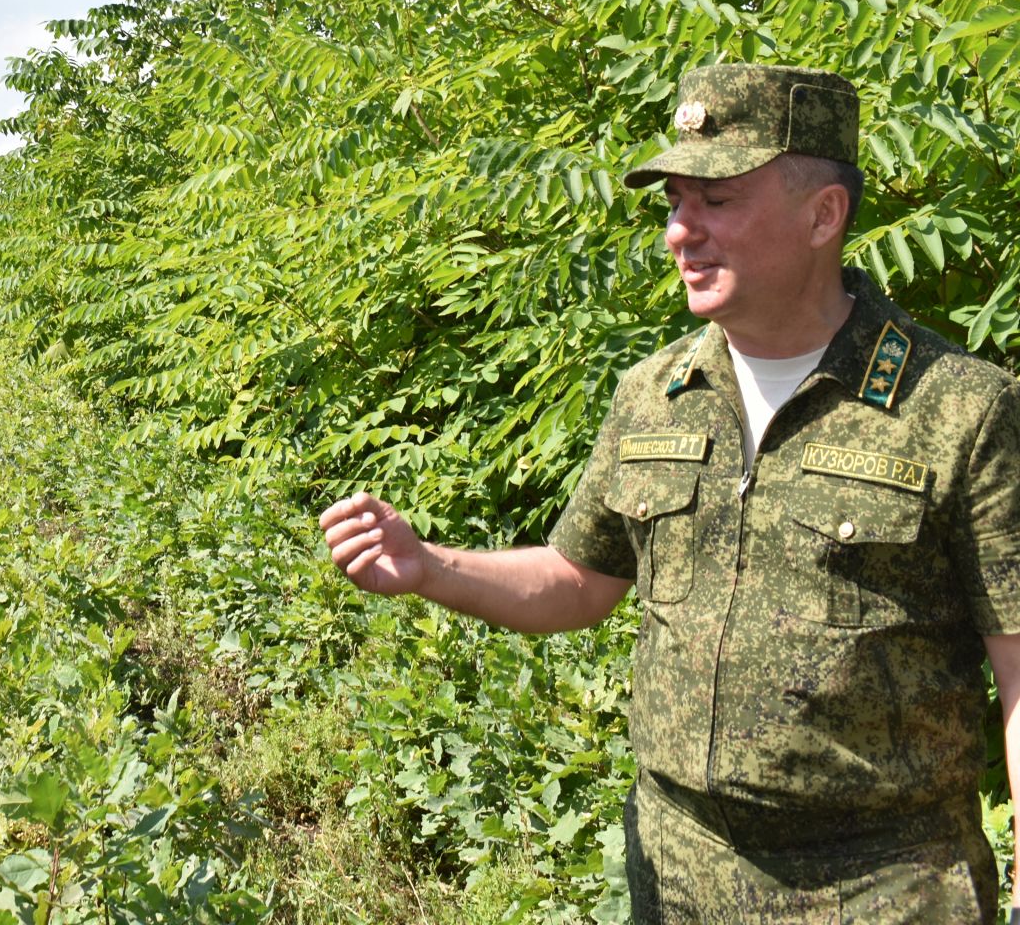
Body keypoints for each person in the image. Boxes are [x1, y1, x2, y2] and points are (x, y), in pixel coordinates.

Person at [320, 64, 1020, 922]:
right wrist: (431, 566)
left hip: (884, 890)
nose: (679, 234)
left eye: (716, 200)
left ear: (823, 215)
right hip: (678, 877)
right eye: (673, 202)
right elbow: (579, 582)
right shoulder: (654, 393)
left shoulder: (958, 407)